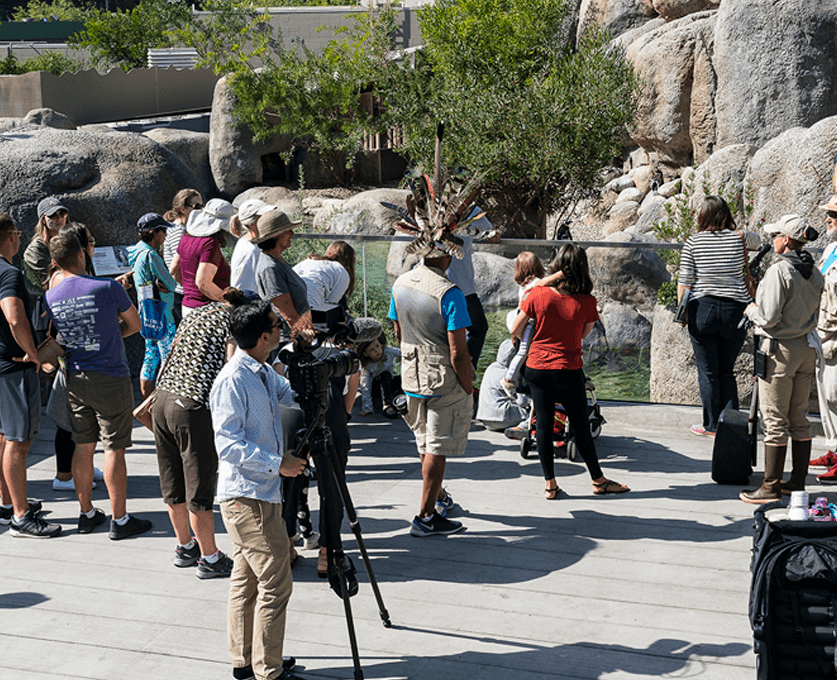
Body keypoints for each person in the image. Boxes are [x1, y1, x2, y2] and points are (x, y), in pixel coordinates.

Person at [210, 299, 307, 680]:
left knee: (247, 579)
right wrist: (278, 463)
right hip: (246, 495)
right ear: (263, 335)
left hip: (261, 492)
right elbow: (227, 445)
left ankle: (245, 661)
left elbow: (290, 394)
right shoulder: (233, 379)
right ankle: (268, 670)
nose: (281, 328)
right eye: (277, 325)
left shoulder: (262, 371)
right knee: (276, 582)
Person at [45, 230, 152, 539]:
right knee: (114, 446)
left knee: (83, 444)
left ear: (55, 262)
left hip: (75, 377)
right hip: (110, 375)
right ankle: (120, 520)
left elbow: (60, 338)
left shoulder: (52, 296)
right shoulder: (107, 287)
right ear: (82, 254)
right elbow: (135, 325)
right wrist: (109, 332)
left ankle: (87, 513)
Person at [511, 243, 628, 500]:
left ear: (556, 267)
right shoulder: (587, 301)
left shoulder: (537, 295)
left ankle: (550, 485)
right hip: (568, 369)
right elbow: (584, 334)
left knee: (542, 425)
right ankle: (598, 480)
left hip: (538, 368)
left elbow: (516, 330)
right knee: (580, 426)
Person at [152, 287, 249, 578]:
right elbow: (230, 367)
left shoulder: (196, 315)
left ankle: (185, 547)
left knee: (173, 482)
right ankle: (210, 557)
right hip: (191, 407)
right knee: (199, 485)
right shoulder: (230, 324)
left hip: (162, 400)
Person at [740, 214, 824, 504]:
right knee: (799, 418)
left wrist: (751, 309)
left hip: (778, 351)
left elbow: (769, 317)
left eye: (775, 235)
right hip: (806, 348)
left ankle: (770, 487)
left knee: (774, 419)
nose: (772, 239)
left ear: (786, 239)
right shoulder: (814, 270)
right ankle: (797, 483)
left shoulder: (779, 271)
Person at [390, 244, 473, 536]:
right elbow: (458, 352)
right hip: (442, 380)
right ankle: (425, 517)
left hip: (411, 372)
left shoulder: (400, 283)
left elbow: (398, 330)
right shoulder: (450, 293)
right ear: (448, 256)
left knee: (424, 441)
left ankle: (438, 497)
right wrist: (468, 385)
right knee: (437, 447)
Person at [677, 196, 762, 436]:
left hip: (702, 309)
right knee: (727, 370)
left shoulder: (693, 242)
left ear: (702, 216)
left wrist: (682, 315)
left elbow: (684, 284)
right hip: (735, 311)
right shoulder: (739, 238)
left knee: (708, 371)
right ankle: (731, 424)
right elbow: (757, 240)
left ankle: (711, 425)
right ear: (725, 215)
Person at [0, 214, 60, 538]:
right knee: (19, 441)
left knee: (3, 437)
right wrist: (34, 354)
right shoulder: (8, 273)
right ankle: (21, 516)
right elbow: (13, 315)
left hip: (0, 367)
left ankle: (8, 504)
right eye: (17, 233)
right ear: (10, 237)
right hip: (14, 368)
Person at [47, 222, 104, 492]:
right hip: (69, 359)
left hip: (83, 359)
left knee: (82, 421)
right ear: (79, 249)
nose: (94, 245)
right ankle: (63, 475)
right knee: (67, 421)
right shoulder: (61, 277)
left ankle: (82, 466)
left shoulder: (83, 274)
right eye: (90, 241)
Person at [129, 213, 178, 399]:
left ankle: (146, 400)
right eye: (162, 230)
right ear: (152, 232)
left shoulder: (136, 252)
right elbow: (171, 284)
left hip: (146, 313)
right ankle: (162, 403)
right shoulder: (151, 255)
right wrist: (168, 282)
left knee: (151, 357)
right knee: (168, 358)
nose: (165, 235)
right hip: (162, 314)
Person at [445, 207, 497, 372]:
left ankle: (465, 374)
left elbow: (491, 232)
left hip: (462, 286)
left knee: (474, 329)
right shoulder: (433, 209)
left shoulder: (472, 210)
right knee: (476, 328)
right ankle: (464, 375)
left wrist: (491, 235)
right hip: (454, 287)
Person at [254, 210, 313, 344]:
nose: (292, 234)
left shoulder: (277, 261)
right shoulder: (270, 267)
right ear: (276, 236)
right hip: (286, 340)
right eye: (288, 231)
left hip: (296, 335)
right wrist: (302, 332)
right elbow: (285, 310)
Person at [171, 198, 235, 319]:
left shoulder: (185, 237)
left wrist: (191, 291)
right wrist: (227, 302)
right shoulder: (210, 243)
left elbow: (173, 270)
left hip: (187, 307)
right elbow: (203, 283)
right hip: (208, 311)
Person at [813, 195, 837, 480]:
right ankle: (833, 448)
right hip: (821, 333)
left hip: (834, 333)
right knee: (825, 395)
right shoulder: (831, 247)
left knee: (835, 393)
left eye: (833, 214)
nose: (828, 218)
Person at [163, 188, 203, 325]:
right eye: (197, 206)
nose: (201, 210)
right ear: (182, 209)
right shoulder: (178, 232)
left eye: (202, 206)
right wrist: (191, 289)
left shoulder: (181, 230)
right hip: (183, 295)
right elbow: (176, 268)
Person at [476, 339, 530, 432]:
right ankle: (521, 428)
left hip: (485, 419)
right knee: (538, 411)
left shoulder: (492, 367)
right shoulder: (512, 374)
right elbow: (523, 402)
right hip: (504, 417)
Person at [230, 199, 273, 294]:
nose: (269, 218)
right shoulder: (250, 250)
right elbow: (245, 288)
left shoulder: (253, 244)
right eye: (264, 216)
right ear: (252, 223)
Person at [357, 331, 402, 418]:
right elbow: (365, 386)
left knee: (399, 378)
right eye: (372, 350)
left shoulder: (388, 351)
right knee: (385, 375)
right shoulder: (366, 366)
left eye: (377, 346)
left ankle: (401, 400)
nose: (377, 350)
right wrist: (367, 408)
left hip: (390, 383)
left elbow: (403, 354)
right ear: (366, 354)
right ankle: (387, 405)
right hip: (376, 387)